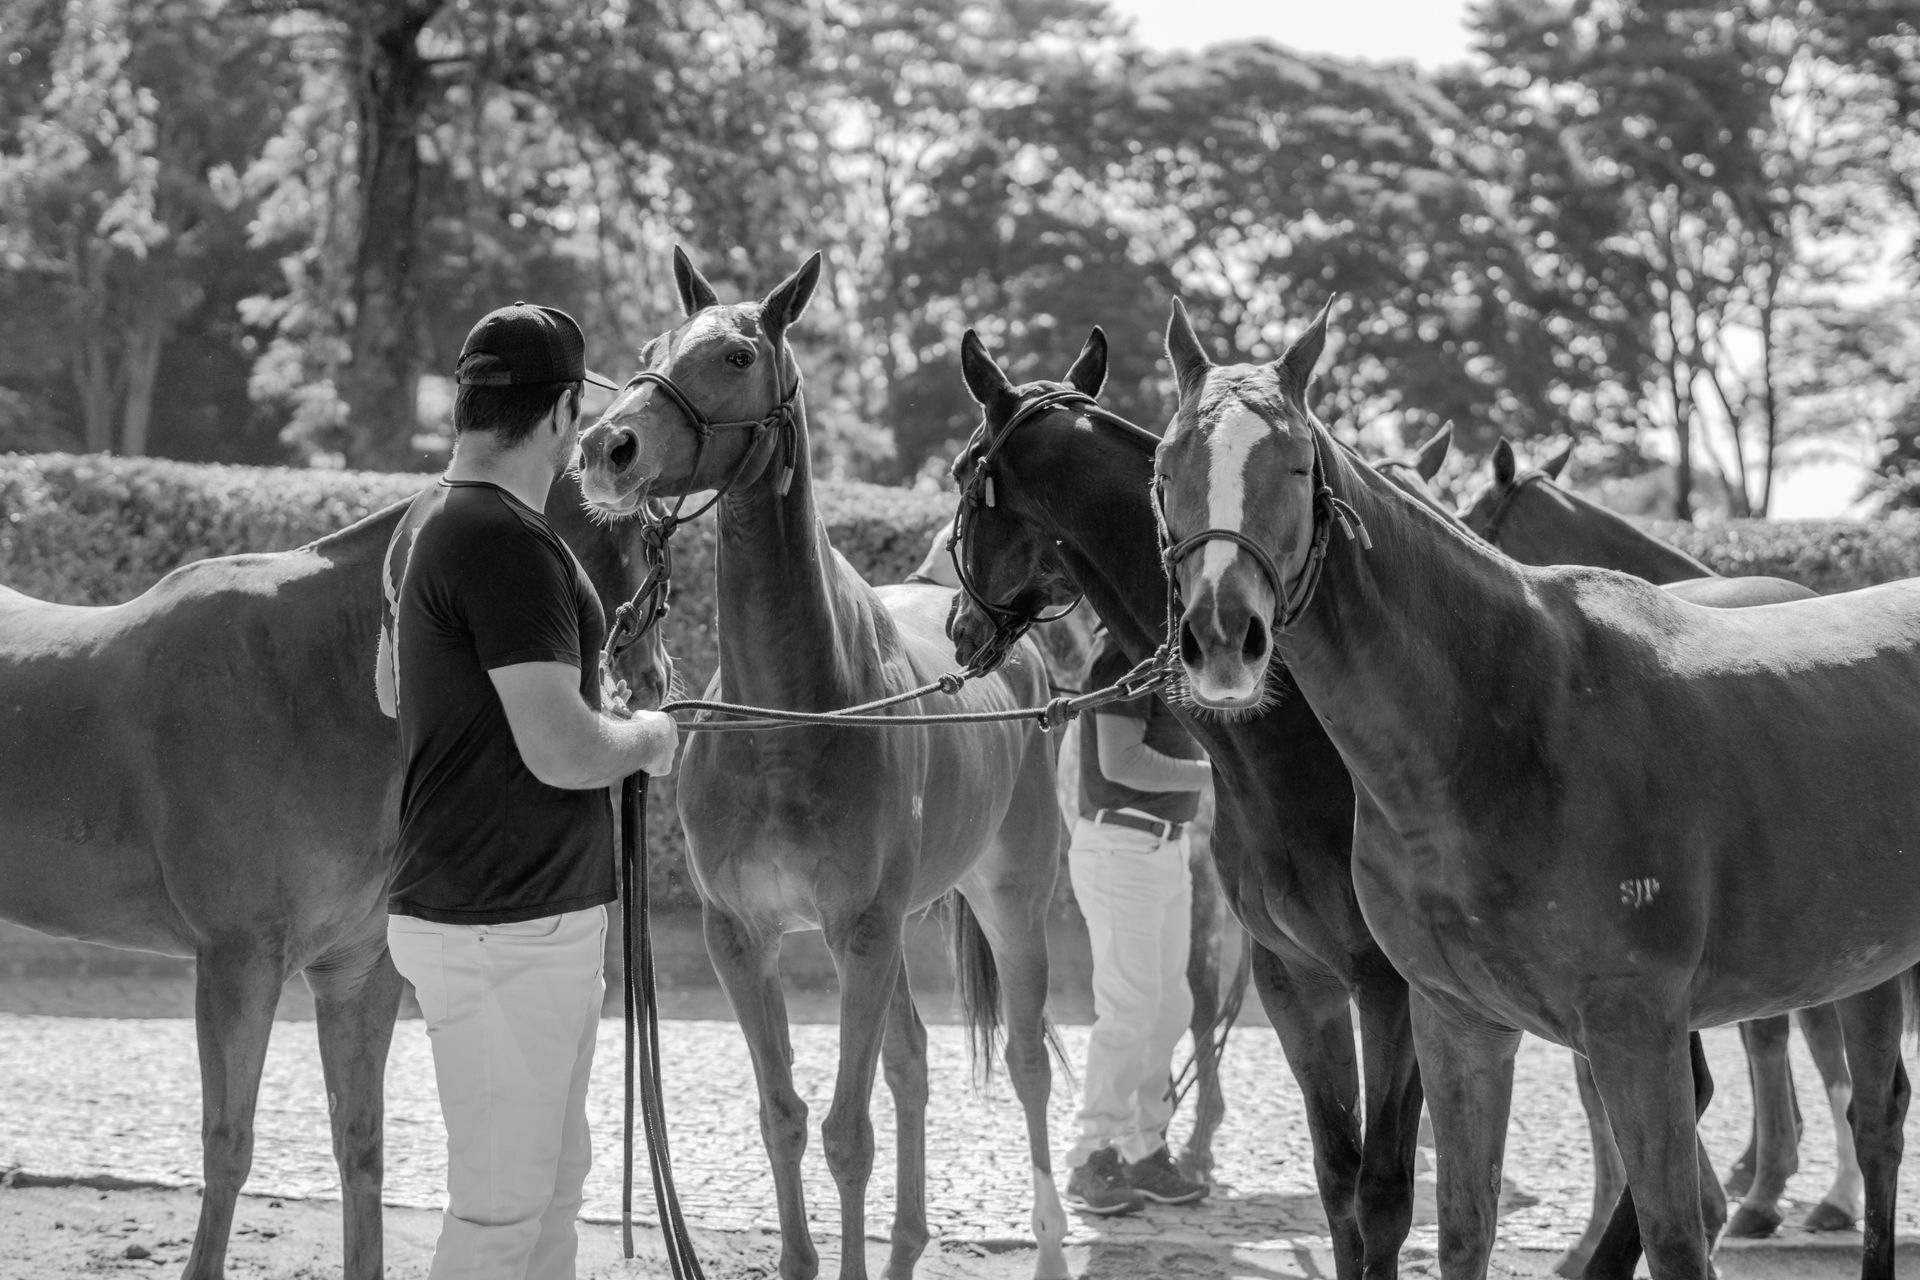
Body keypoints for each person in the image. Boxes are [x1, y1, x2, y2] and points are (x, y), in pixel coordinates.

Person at [374, 301, 679, 1279]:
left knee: (547, 1186)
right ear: (557, 417)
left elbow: (393, 686)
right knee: (504, 1211)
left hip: (493, 909)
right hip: (507, 921)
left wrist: (576, 689)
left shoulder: (427, 517)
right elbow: (558, 749)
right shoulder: (505, 540)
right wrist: (647, 735)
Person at [1063, 626, 1213, 1216]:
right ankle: (1089, 1157)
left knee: (1169, 1008)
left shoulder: (1169, 649)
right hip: (1120, 845)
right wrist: (1216, 773)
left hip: (1166, 850)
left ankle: (1143, 1150)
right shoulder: (1122, 652)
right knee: (1128, 1010)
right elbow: (1120, 761)